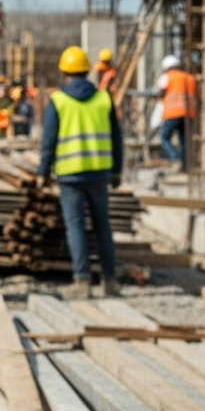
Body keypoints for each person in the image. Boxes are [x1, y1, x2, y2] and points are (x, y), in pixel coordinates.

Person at [39, 46, 124, 300]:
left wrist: (42, 171)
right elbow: (117, 139)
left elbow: (48, 141)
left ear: (64, 73)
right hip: (99, 173)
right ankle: (110, 281)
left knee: (75, 227)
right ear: (87, 71)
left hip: (71, 175)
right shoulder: (103, 98)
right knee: (102, 226)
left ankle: (82, 281)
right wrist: (117, 170)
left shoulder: (58, 100)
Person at [156, 54, 196, 170]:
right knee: (184, 140)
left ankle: (175, 158)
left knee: (164, 137)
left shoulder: (167, 76)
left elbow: (161, 91)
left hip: (172, 113)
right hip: (188, 114)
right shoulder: (190, 77)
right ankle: (185, 165)